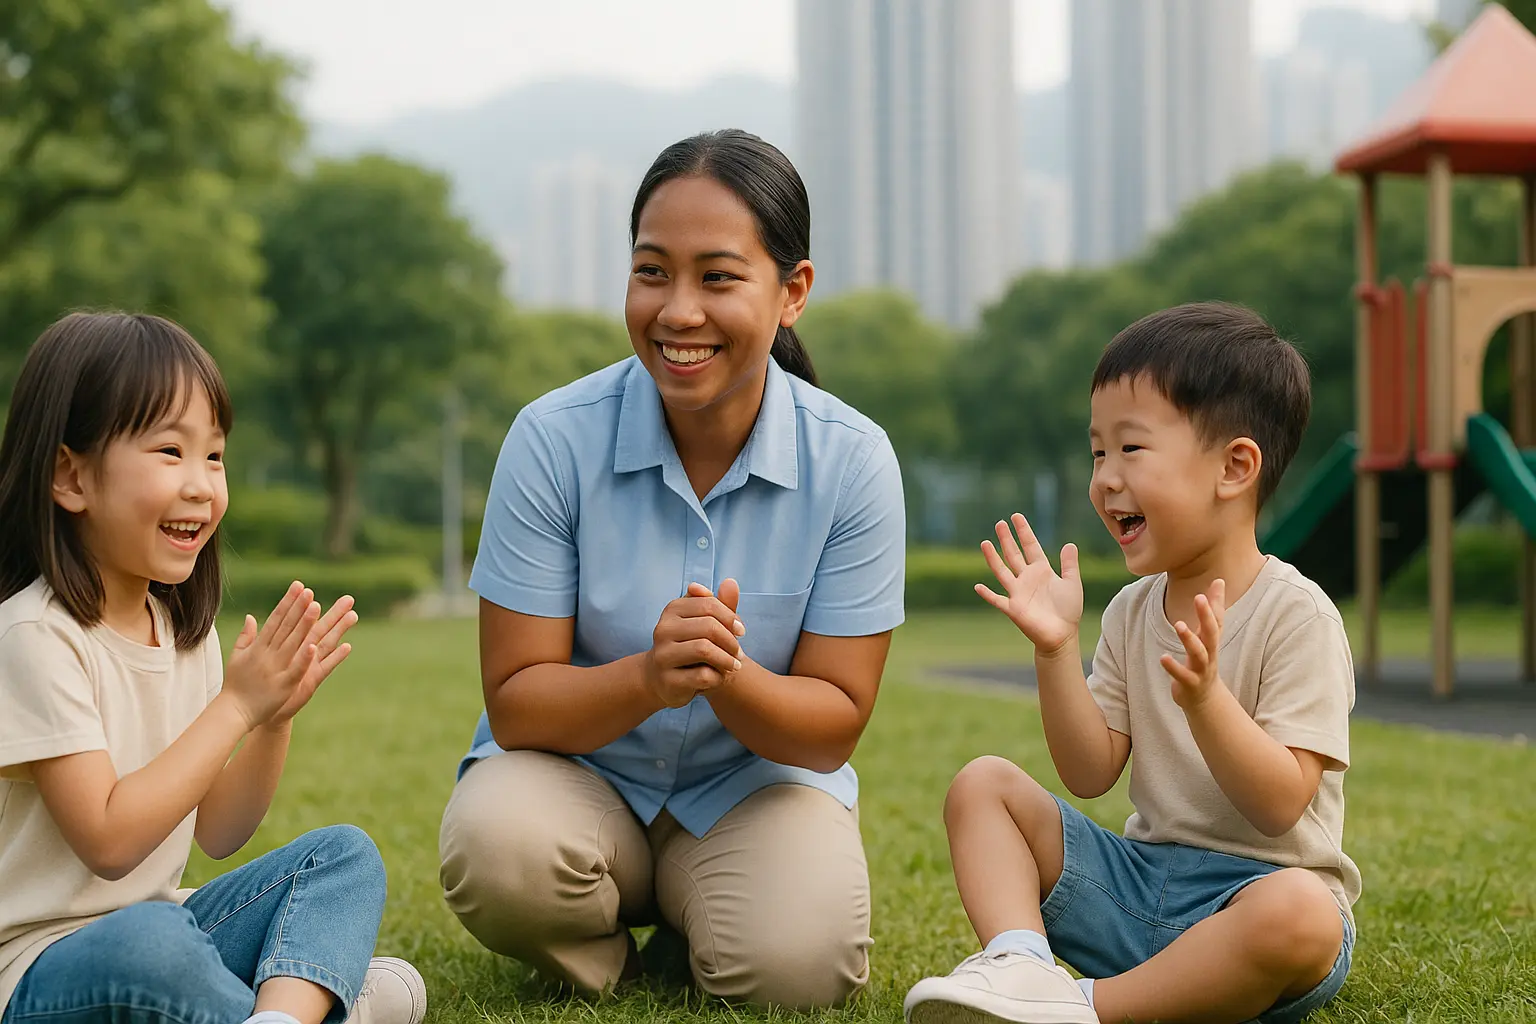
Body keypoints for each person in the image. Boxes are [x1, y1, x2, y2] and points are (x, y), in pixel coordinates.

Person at [438, 129, 906, 1009]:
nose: (677, 311)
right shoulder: (551, 440)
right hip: (578, 778)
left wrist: (727, 679)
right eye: (652, 271)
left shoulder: (853, 461)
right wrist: (651, 676)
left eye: (718, 277)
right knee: (498, 852)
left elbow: (833, 723)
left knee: (799, 967)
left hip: (754, 792)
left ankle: (714, 923)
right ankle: (610, 957)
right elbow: (516, 698)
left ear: (792, 292)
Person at [904, 303, 1359, 1024]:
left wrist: (1207, 701)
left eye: (1131, 450)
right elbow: (1090, 773)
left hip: (1257, 899)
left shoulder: (1296, 616)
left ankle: (1084, 1007)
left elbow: (1279, 807)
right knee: (982, 784)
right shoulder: (1130, 611)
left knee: (1304, 914)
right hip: (1140, 888)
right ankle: (1020, 966)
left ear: (1234, 467)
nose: (1105, 479)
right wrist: (1055, 649)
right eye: (1097, 453)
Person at [0, 313, 426, 1024]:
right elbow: (109, 841)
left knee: (343, 859)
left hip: (170, 929)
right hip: (43, 969)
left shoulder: (182, 631)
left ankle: (281, 1018)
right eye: (170, 450)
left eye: (215, 456)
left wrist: (270, 719)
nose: (201, 485)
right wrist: (234, 706)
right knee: (154, 941)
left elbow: (219, 832)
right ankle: (328, 1004)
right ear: (71, 477)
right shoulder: (34, 638)